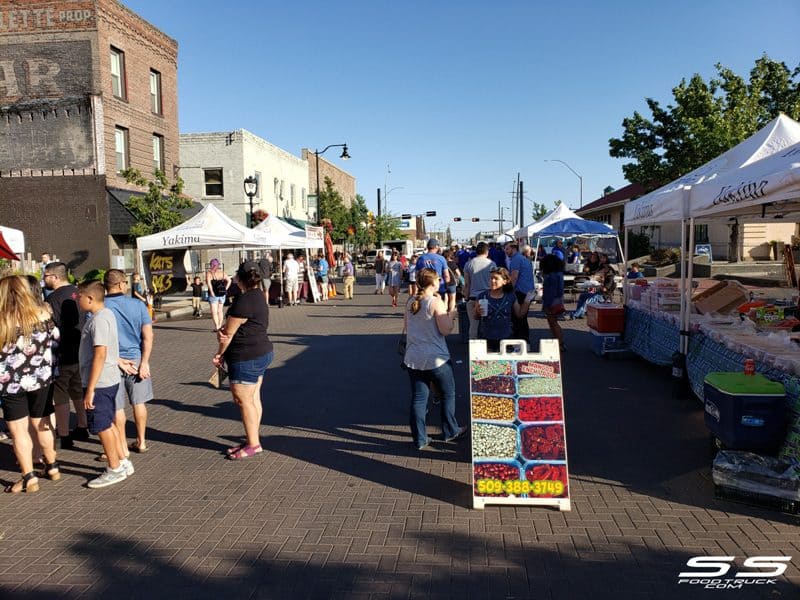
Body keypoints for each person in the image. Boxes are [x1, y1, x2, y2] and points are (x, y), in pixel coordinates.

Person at [0, 275, 60, 493]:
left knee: (18, 431)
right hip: (41, 379)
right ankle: (52, 466)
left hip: (9, 384)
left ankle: (29, 477)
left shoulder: (2, 320)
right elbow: (56, 340)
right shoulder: (44, 314)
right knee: (42, 422)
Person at [214, 261, 274, 460]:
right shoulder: (258, 295)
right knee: (254, 397)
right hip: (261, 352)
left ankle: (253, 444)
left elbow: (227, 334)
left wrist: (219, 353)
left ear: (240, 278)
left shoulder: (243, 302)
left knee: (243, 400)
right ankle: (252, 438)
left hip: (245, 356)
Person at [402, 268, 467, 450]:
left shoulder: (410, 301)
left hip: (413, 357)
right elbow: (446, 330)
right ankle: (450, 430)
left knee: (419, 398)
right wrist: (451, 315)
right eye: (438, 279)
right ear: (433, 283)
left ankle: (420, 438)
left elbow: (407, 327)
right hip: (436, 358)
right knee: (448, 393)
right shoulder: (435, 302)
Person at [77, 280, 130, 488]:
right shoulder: (105, 315)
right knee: (108, 422)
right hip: (107, 378)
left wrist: (90, 389)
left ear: (90, 298)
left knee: (101, 426)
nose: (78, 300)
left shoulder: (98, 320)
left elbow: (100, 353)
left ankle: (114, 468)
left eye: (79, 296)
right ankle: (122, 461)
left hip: (100, 382)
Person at [104, 269, 154, 456]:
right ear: (120, 284)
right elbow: (148, 336)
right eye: (125, 282)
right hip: (136, 358)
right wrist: (145, 362)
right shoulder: (138, 305)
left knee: (117, 407)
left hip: (112, 361)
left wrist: (116, 359)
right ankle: (141, 441)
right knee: (138, 402)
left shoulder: (101, 307)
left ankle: (122, 446)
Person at [44, 262, 89, 448]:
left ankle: (63, 434)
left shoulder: (53, 299)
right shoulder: (80, 292)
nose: (43, 279)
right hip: (81, 350)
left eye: (45, 275)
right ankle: (82, 425)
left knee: (60, 395)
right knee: (77, 390)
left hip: (61, 353)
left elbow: (48, 326)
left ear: (55, 277)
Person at [473, 267, 533, 352]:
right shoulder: (482, 296)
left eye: (496, 279)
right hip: (486, 338)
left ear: (505, 281)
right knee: (488, 364)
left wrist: (527, 300)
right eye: (491, 278)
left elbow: (520, 314)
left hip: (506, 339)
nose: (492, 281)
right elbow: (475, 317)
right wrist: (477, 312)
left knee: (505, 365)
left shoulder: (510, 296)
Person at [462, 242, 494, 339]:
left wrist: (466, 297)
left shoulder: (469, 264)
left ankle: (473, 347)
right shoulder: (492, 264)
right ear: (486, 251)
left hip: (473, 297)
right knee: (488, 324)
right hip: (488, 297)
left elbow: (467, 284)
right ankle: (489, 346)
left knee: (473, 325)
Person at [505, 242, 535, 342]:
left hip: (520, 292)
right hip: (527, 291)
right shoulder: (523, 258)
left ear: (513, 249)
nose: (506, 251)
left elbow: (514, 277)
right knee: (522, 318)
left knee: (518, 318)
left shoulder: (516, 259)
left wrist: (508, 291)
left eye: (507, 249)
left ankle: (521, 341)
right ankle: (524, 341)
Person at [571, 253, 616, 319]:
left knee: (588, 301)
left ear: (607, 270)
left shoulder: (610, 278)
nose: (601, 271)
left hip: (603, 296)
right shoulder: (603, 275)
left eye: (603, 270)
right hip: (598, 293)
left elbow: (605, 289)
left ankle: (575, 315)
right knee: (582, 296)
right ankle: (581, 313)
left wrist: (598, 285)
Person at [540, 254, 566, 350]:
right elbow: (559, 291)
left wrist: (547, 304)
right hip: (557, 300)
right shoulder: (559, 273)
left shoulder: (551, 276)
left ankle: (559, 343)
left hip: (551, 301)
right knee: (554, 322)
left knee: (553, 323)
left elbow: (551, 291)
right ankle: (559, 343)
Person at [206, 259, 230, 331]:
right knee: (220, 311)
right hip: (222, 294)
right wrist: (225, 289)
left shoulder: (209, 273)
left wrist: (212, 291)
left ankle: (217, 327)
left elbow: (209, 283)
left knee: (214, 312)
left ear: (211, 265)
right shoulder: (222, 272)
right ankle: (220, 325)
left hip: (214, 294)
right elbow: (229, 280)